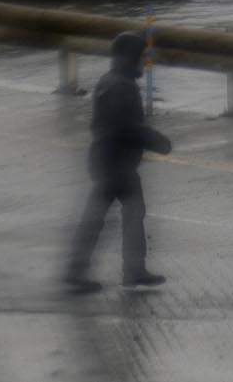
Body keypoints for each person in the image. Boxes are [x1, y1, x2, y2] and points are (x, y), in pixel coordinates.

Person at [63, 31, 173, 293]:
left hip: (109, 161)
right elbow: (128, 127)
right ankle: (126, 271)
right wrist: (158, 141)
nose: (144, 64)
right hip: (117, 165)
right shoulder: (121, 87)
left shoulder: (108, 81)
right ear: (130, 58)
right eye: (141, 58)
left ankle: (84, 270)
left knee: (112, 215)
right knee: (124, 214)